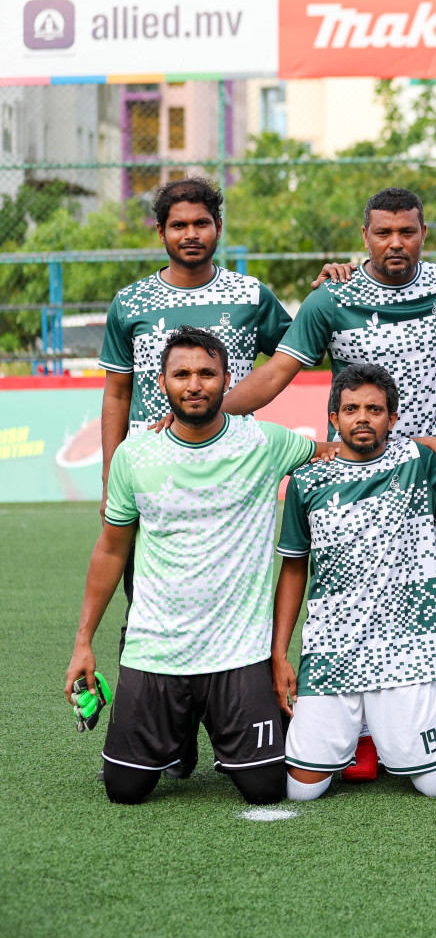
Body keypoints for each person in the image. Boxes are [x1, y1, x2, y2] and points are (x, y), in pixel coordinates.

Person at [220, 187, 436, 780]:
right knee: (356, 599)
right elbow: (279, 371)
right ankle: (360, 733)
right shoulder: (332, 298)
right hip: (354, 486)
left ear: (423, 234)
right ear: (365, 237)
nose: (395, 243)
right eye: (383, 232)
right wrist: (205, 415)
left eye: (407, 232)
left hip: (432, 478)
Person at [65, 328, 323, 805]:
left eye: (207, 373)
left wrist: (426, 447)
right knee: (124, 791)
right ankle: (177, 736)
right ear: (161, 382)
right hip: (156, 650)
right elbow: (110, 550)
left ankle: (216, 724)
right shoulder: (134, 454)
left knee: (266, 789)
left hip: (238, 651)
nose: (195, 384)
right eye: (181, 374)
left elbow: (341, 452)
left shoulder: (265, 442)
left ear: (227, 379)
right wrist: (83, 643)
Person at [96, 177, 290, 778]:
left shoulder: (249, 294)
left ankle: (240, 720)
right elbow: (116, 394)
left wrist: (341, 278)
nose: (190, 234)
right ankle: (167, 736)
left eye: (201, 223)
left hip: (231, 478)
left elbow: (298, 353)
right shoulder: (130, 303)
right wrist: (112, 479)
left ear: (218, 227)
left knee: (236, 605)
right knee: (150, 605)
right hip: (160, 476)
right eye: (178, 225)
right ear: (161, 233)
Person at [275, 364, 436, 800]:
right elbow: (295, 567)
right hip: (330, 655)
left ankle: (412, 737)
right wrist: (280, 654)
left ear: (392, 419)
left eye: (374, 409)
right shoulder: (307, 480)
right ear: (333, 417)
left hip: (404, 657)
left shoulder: (416, 462)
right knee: (301, 792)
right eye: (350, 408)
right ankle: (351, 740)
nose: (362, 417)